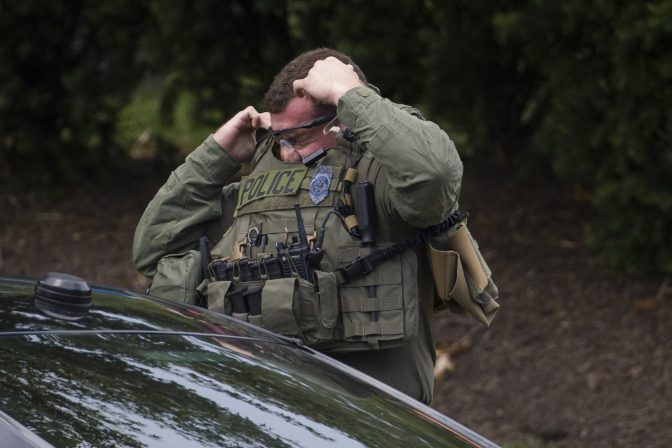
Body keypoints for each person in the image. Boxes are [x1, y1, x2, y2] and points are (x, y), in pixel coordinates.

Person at [133, 48, 463, 404]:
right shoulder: (259, 191)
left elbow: (435, 176)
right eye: (278, 138)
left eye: (298, 138)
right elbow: (156, 250)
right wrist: (217, 154)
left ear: (343, 120)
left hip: (371, 427)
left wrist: (350, 92)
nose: (286, 153)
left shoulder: (385, 183)